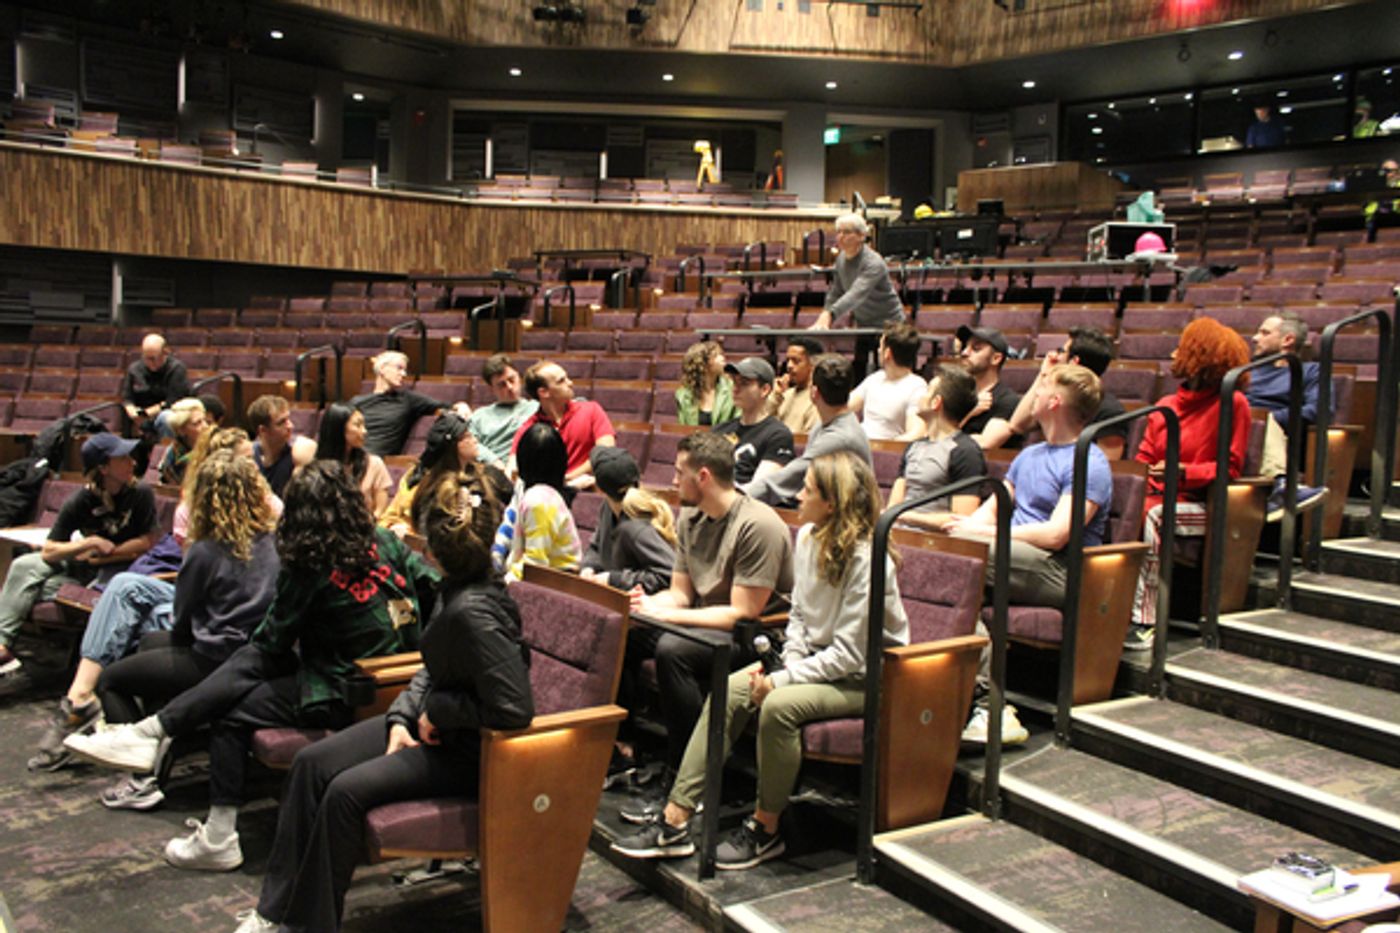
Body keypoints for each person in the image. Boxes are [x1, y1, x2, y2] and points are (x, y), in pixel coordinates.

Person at [65, 461, 440, 872]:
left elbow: (270, 641)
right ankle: (153, 733)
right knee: (254, 662)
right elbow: (436, 588)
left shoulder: (310, 564)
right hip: (400, 682)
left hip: (343, 691)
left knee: (235, 699)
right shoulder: (387, 542)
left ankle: (214, 828)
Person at [227, 466, 530, 933]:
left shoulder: (474, 612)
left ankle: (307, 925)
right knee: (311, 765)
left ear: (431, 548)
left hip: (474, 753)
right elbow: (433, 665)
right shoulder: (454, 591)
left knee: (344, 794)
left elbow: (513, 709)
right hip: (439, 730)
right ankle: (274, 914)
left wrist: (438, 712)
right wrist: (404, 716)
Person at [612, 451, 908, 868]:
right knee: (732, 688)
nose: (798, 496)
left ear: (832, 502)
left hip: (865, 677)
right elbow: (801, 617)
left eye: (808, 490)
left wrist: (782, 682)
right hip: (817, 664)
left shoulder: (867, 558)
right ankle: (675, 821)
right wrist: (786, 665)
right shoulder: (807, 537)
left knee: (779, 706)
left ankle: (765, 829)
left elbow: (850, 653)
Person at [40, 451, 281, 805]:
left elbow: (183, 619)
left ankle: (141, 775)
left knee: (112, 679)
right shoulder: (275, 541)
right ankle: (161, 742)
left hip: (216, 658)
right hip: (254, 655)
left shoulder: (206, 549)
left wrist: (184, 643)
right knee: (151, 644)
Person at [621, 431, 794, 823]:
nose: (672, 480)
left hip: (759, 640)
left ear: (702, 476)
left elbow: (742, 612)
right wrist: (642, 606)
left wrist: (665, 616)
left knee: (672, 650)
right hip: (705, 624)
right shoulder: (691, 517)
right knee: (625, 632)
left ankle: (685, 781)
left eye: (679, 472)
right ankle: (627, 751)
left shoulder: (757, 525)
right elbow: (680, 596)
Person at [945, 364, 1113, 743]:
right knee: (951, 586)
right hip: (1012, 559)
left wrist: (982, 532)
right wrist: (967, 527)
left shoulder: (1088, 459)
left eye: (1040, 388)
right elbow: (992, 509)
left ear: (1054, 401)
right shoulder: (1030, 455)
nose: (1032, 395)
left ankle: (987, 708)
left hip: (1061, 570)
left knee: (965, 558)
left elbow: (1057, 534)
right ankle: (989, 708)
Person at [1128, 317, 1252, 651]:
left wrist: (1184, 472)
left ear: (1201, 355)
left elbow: (1231, 467)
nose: (1174, 352)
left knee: (1154, 516)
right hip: (1158, 494)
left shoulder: (1233, 404)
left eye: (1183, 346)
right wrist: (1144, 471)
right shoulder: (1167, 405)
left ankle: (1144, 620)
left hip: (1203, 505)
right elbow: (1143, 455)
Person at [0, 434, 161, 682]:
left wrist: (109, 551)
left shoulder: (140, 493)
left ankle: (4, 647)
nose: (132, 463)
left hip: (118, 571)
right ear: (104, 468)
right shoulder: (81, 499)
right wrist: (88, 543)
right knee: (24, 566)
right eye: (123, 458)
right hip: (80, 566)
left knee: (33, 587)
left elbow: (148, 540)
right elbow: (50, 550)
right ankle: (2, 646)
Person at [747, 354, 871, 509]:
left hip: (849, 521)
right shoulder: (824, 424)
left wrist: (738, 499)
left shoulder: (839, 437)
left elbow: (788, 479)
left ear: (814, 393)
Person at [886, 365, 987, 531]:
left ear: (936, 402)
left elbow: (962, 520)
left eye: (927, 391)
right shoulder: (914, 447)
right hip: (898, 532)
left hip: (934, 541)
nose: (920, 396)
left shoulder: (966, 452)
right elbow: (894, 505)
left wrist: (907, 516)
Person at [1246, 312, 1327, 522]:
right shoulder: (1249, 370)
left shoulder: (1310, 372)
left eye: (1264, 332)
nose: (1255, 338)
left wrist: (1270, 418)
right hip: (1237, 427)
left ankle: (1282, 485)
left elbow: (1317, 410)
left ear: (1287, 340)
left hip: (1278, 434)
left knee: (1263, 419)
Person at [809, 213, 906, 381]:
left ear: (862, 236)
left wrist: (831, 314)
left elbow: (856, 293)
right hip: (864, 322)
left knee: (890, 370)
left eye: (846, 232)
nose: (840, 237)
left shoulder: (873, 262)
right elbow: (836, 291)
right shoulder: (840, 260)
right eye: (838, 232)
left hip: (890, 324)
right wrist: (825, 313)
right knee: (859, 368)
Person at [1006, 326, 1129, 459]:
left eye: (1061, 352)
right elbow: (1017, 425)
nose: (1055, 356)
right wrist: (1043, 374)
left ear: (1074, 362)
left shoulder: (1110, 412)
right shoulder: (1054, 397)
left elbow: (1109, 466)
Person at [580, 446, 677, 595]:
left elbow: (670, 573)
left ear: (599, 488)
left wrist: (615, 579)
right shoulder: (608, 506)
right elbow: (597, 545)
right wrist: (588, 567)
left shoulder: (635, 527)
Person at [494, 423, 582, 581]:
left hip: (556, 584)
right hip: (529, 576)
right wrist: (495, 558)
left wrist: (499, 587)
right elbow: (508, 523)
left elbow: (534, 565)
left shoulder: (539, 501)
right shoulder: (524, 489)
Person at [511, 360, 616, 485]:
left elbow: (606, 452)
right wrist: (563, 482)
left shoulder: (591, 410)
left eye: (567, 378)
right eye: (561, 381)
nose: (570, 383)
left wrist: (569, 478)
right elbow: (513, 469)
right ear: (544, 392)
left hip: (588, 488)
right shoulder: (528, 429)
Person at [711, 357, 795, 487]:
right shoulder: (719, 430)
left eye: (744, 383)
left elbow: (759, 489)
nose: (735, 389)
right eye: (734, 382)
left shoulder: (778, 435)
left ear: (765, 390)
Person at [349, 350, 450, 457]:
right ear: (382, 369)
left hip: (378, 462)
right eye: (399, 368)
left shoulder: (408, 399)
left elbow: (446, 407)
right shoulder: (357, 402)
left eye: (405, 370)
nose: (404, 374)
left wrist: (461, 406)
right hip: (353, 458)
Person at [848, 321, 928, 441]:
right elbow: (844, 405)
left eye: (880, 346)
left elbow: (917, 433)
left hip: (884, 452)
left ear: (887, 353)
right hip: (859, 446)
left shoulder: (917, 387)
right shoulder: (875, 378)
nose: (878, 350)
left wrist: (884, 450)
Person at [316, 402, 392, 517]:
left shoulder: (374, 464)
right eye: (358, 425)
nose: (364, 431)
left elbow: (380, 512)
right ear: (339, 429)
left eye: (364, 425)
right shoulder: (316, 468)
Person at [956, 325, 1023, 450]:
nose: (964, 353)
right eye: (965, 347)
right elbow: (934, 435)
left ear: (996, 358)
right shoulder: (958, 394)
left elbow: (986, 443)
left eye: (976, 349)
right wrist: (969, 413)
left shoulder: (1008, 401)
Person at [466, 353, 538, 466]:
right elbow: (470, 444)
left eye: (511, 379)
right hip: (489, 471)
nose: (509, 387)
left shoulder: (536, 408)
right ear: (491, 389)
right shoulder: (479, 416)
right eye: (501, 385)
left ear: (519, 377)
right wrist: (495, 462)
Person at [247, 395, 316, 498]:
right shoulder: (248, 456)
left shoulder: (299, 451)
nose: (290, 426)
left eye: (288, 419)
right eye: (281, 423)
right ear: (263, 430)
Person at [120, 333, 191, 428]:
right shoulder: (134, 369)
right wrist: (131, 410)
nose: (150, 363)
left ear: (165, 352)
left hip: (163, 413)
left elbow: (174, 400)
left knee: (165, 417)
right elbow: (127, 397)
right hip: (138, 415)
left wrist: (148, 413)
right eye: (146, 358)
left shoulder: (176, 369)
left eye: (153, 358)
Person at [766, 336, 824, 435]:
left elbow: (807, 441)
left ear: (813, 366)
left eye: (796, 361)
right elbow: (761, 424)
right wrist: (775, 396)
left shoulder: (818, 399)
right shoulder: (784, 395)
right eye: (788, 360)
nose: (789, 366)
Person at [675, 341, 737, 427]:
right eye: (716, 355)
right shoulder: (682, 395)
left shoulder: (734, 389)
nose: (723, 358)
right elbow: (682, 430)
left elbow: (737, 427)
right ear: (704, 363)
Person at [157, 398, 209, 486]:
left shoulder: (216, 448)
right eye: (197, 423)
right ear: (181, 430)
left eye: (205, 420)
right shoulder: (171, 459)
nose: (205, 426)